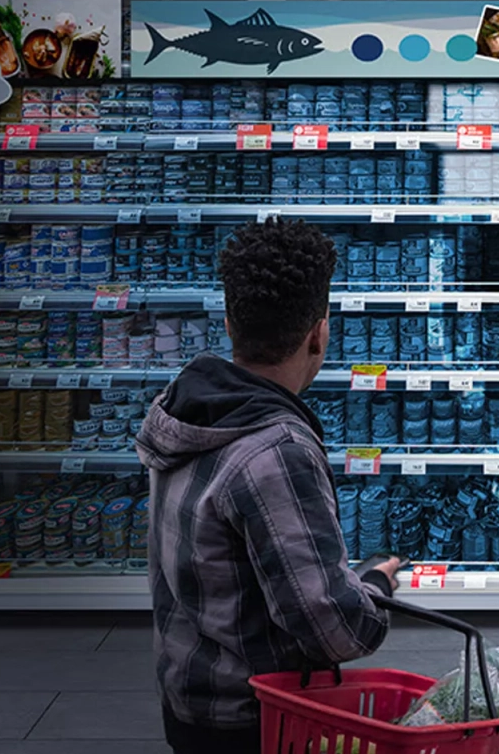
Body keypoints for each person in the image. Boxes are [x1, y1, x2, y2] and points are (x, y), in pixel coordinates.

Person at [136, 218, 400, 754]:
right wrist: (375, 587)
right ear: (319, 333)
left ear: (230, 324)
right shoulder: (275, 450)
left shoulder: (185, 409)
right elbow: (335, 628)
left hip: (189, 695)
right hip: (258, 717)